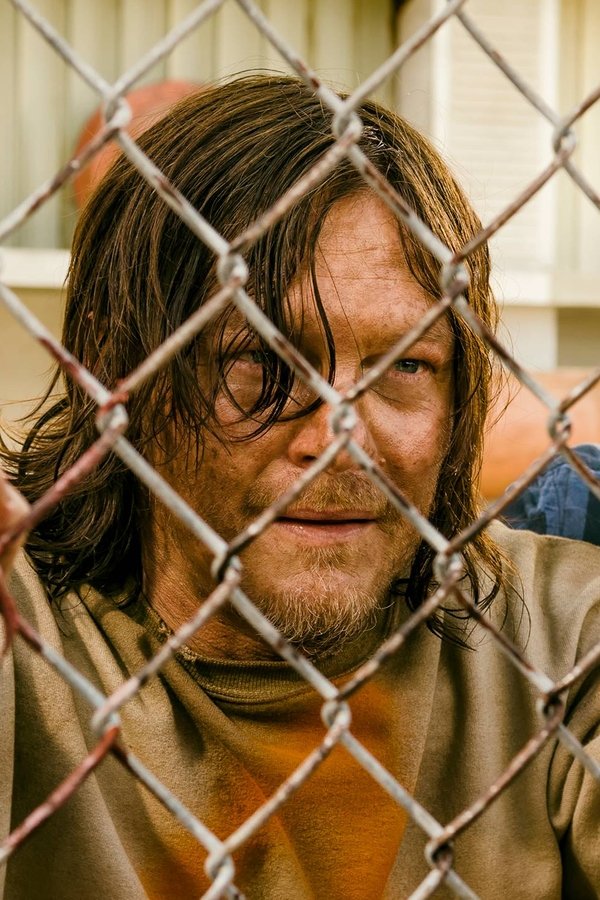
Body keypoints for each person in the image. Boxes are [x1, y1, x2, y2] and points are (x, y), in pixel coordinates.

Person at [1, 75, 599, 900]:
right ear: (116, 373)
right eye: (260, 361)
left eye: (406, 366)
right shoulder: (26, 637)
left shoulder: (556, 635)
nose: (341, 441)